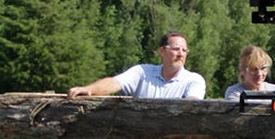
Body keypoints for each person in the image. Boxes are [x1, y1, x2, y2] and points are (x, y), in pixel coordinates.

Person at [67, 31, 206, 99]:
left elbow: (192, 105)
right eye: (176, 49)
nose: (181, 54)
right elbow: (115, 83)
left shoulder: (194, 80)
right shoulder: (142, 72)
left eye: (184, 50)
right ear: (162, 51)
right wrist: (89, 89)